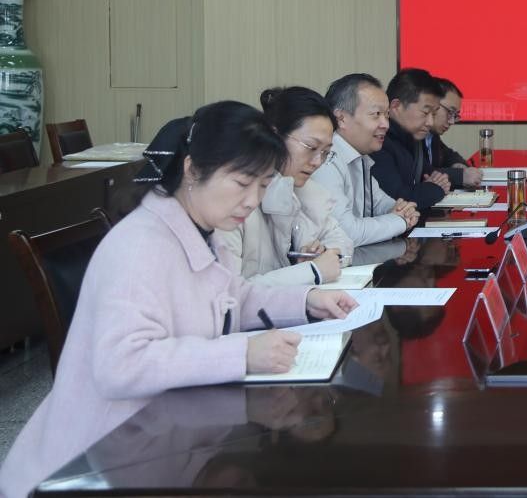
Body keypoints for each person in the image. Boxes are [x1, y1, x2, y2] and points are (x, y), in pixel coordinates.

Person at [0, 102, 358, 498]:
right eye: (242, 183)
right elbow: (122, 364)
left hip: (163, 439)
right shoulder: (141, 245)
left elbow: (233, 298)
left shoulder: (204, 230)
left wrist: (307, 301)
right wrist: (242, 354)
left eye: (263, 185)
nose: (252, 200)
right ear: (192, 169)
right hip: (96, 459)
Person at [215, 86, 356, 286]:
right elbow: (228, 291)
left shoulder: (307, 191)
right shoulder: (234, 198)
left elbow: (343, 241)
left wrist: (323, 252)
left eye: (325, 152)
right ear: (275, 137)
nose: (317, 162)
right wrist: (312, 271)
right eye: (311, 147)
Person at [308, 73, 422, 245]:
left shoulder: (359, 156)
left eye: (386, 115)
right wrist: (401, 221)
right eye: (376, 114)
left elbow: (381, 204)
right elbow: (346, 233)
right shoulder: (325, 159)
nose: (385, 124)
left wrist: (402, 211)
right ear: (341, 119)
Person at [370, 69, 453, 211]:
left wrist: (437, 183)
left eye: (434, 114)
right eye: (425, 112)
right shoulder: (380, 142)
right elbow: (398, 199)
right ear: (396, 106)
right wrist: (435, 189)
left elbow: (430, 175)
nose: (430, 122)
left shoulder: (412, 137)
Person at [425, 76, 484, 188]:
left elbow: (449, 155)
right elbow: (422, 172)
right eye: (450, 112)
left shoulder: (432, 135)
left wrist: (458, 165)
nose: (452, 121)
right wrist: (461, 176)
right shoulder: (413, 134)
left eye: (455, 115)